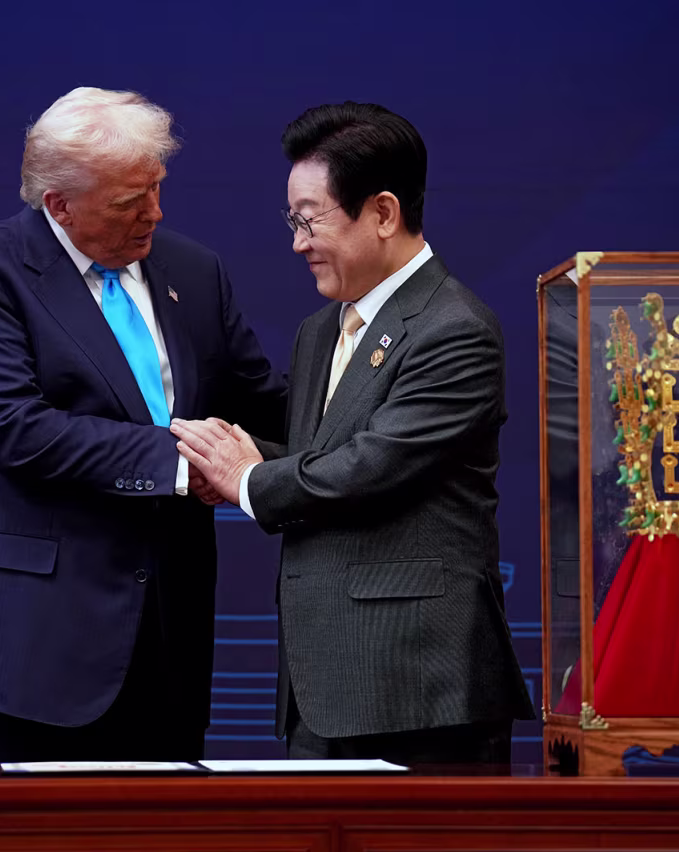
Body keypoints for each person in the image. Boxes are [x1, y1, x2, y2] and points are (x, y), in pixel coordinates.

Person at [0, 87, 287, 764]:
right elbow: (13, 427)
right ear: (59, 205)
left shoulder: (194, 271)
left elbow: (263, 401)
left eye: (157, 188)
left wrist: (363, 418)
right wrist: (188, 463)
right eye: (129, 201)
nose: (155, 213)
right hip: (22, 650)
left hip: (164, 647)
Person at [171, 102, 534, 764]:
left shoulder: (455, 328)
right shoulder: (321, 330)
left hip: (420, 689)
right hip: (322, 686)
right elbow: (319, 455)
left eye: (310, 220)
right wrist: (239, 461)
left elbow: (371, 465)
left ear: (383, 213)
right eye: (293, 221)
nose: (298, 243)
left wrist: (247, 478)